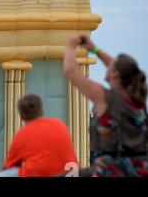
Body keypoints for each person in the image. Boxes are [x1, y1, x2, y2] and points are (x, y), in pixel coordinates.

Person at [63, 35, 148, 177]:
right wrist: (94, 49)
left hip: (112, 170)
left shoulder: (107, 98)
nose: (104, 76)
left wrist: (70, 46)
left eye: (109, 70)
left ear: (115, 74)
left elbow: (71, 72)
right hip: (139, 168)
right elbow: (119, 67)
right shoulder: (138, 98)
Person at [0, 94, 78, 177]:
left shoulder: (22, 135)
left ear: (21, 115)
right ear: (41, 110)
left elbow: (8, 167)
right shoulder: (59, 124)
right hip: (72, 173)